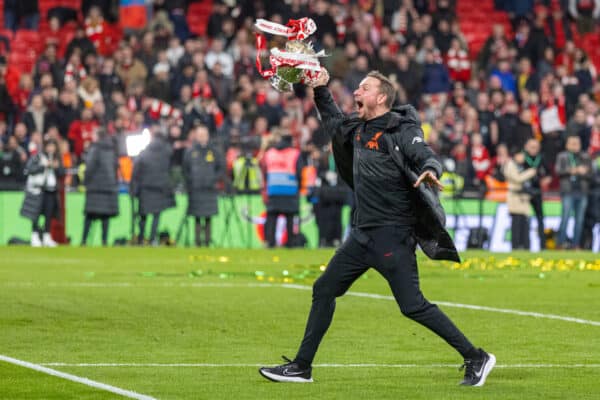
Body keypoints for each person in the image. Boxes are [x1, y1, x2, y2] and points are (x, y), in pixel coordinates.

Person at [259, 70, 495, 386]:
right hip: (361, 235)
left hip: (393, 237)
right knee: (323, 289)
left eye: (364, 87)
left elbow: (422, 152)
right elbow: (331, 120)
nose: (357, 90)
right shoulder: (356, 130)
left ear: (381, 97)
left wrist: (430, 169)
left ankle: (476, 356)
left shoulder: (400, 129)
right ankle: (302, 366)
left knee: (413, 306)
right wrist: (320, 88)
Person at [182, 125, 225, 247]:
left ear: (208, 136)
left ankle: (207, 241)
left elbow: (221, 168)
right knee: (196, 216)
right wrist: (191, 181)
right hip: (195, 189)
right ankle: (197, 241)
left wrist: (213, 180)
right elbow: (185, 169)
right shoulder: (190, 151)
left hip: (209, 189)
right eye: (199, 135)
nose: (202, 137)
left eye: (204, 135)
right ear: (196, 136)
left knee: (208, 217)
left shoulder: (214, 151)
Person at [131, 128, 175, 245]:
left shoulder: (145, 152)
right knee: (156, 216)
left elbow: (136, 170)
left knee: (143, 215)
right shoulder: (166, 151)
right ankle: (152, 238)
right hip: (160, 188)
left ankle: (141, 238)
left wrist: (134, 189)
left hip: (145, 188)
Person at [261, 129, 304, 248]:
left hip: (273, 189)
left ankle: (270, 242)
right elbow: (300, 173)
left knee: (272, 217)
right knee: (290, 217)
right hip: (290, 189)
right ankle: (290, 243)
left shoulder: (270, 152)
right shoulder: (295, 153)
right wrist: (299, 187)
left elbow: (264, 171)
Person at [20, 139, 64, 247]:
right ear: (45, 147)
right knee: (36, 214)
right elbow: (28, 170)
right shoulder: (38, 157)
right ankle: (35, 236)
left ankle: (46, 237)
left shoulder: (57, 158)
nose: (51, 149)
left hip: (51, 191)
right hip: (39, 190)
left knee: (49, 215)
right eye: (49, 146)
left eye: (53, 146)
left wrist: (57, 167)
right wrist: (43, 166)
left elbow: (62, 173)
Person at [81, 128, 119, 246]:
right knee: (105, 216)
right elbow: (115, 167)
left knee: (89, 215)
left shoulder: (95, 149)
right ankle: (104, 241)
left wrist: (85, 182)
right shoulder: (112, 150)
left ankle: (84, 241)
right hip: (109, 187)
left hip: (95, 187)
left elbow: (90, 167)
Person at [555, 134, 593, 249]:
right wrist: (573, 170)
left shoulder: (585, 156)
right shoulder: (562, 156)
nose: (575, 146)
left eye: (577, 143)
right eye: (573, 143)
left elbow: (591, 173)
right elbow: (558, 171)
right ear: (567, 145)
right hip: (568, 191)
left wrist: (584, 172)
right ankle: (560, 244)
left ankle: (576, 244)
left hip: (582, 191)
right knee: (565, 218)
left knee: (579, 220)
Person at [504, 151, 537, 250]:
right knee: (516, 225)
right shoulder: (510, 165)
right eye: (522, 155)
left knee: (525, 225)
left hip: (523, 198)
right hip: (515, 198)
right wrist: (530, 172)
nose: (523, 157)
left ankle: (525, 247)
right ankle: (515, 247)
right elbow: (517, 179)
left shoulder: (521, 166)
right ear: (516, 155)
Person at [522, 138, 552, 249]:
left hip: (537, 191)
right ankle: (525, 244)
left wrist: (546, 179)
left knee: (540, 218)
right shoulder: (522, 158)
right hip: (524, 192)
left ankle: (542, 245)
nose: (534, 149)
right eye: (532, 147)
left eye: (536, 147)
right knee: (524, 219)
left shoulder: (542, 158)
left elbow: (549, 174)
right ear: (526, 147)